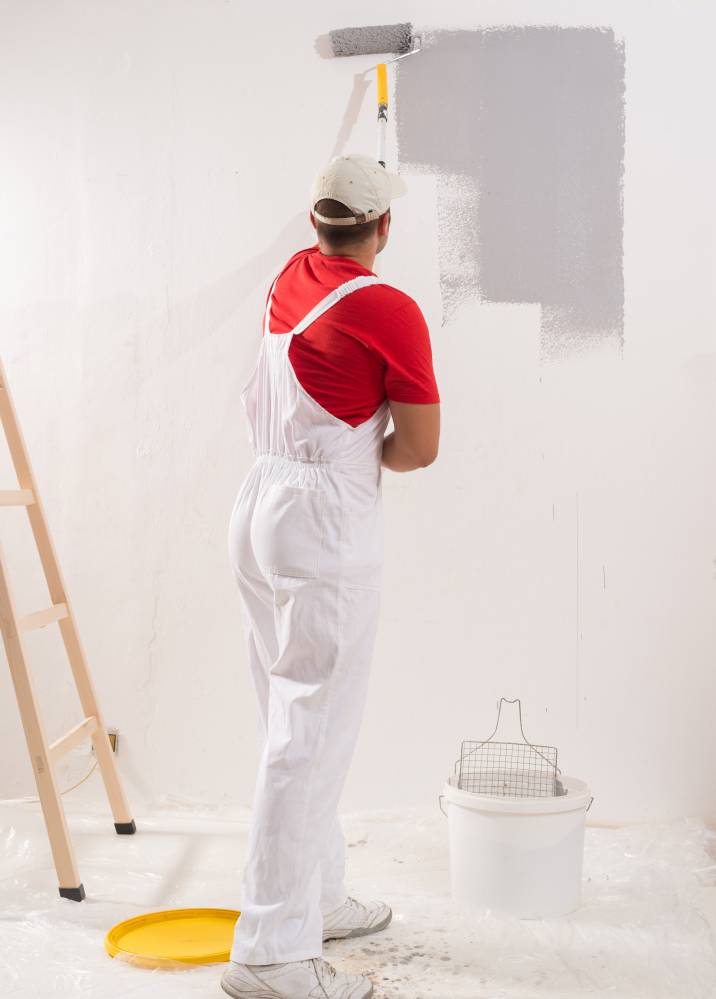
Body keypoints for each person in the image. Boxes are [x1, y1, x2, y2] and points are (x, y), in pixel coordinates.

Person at [221, 153, 441, 999]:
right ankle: (271, 953)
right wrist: (353, 466)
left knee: (292, 720)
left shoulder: (290, 273)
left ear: (316, 223)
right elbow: (418, 448)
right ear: (384, 227)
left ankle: (315, 893)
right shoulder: (389, 309)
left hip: (256, 507)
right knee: (308, 732)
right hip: (320, 526)